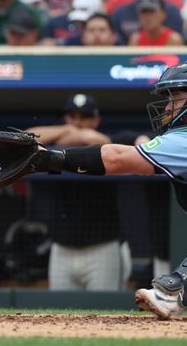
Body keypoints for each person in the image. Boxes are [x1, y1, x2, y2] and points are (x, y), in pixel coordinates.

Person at [0, 59, 187, 319]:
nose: (169, 105)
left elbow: (119, 158)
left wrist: (48, 159)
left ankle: (175, 290)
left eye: (177, 96)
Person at [26, 94, 128, 291]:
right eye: (73, 117)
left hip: (102, 248)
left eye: (85, 117)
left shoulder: (108, 147)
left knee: (105, 313)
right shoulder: (56, 151)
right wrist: (67, 130)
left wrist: (73, 133)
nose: (78, 122)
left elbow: (94, 138)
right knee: (59, 314)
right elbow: (25, 138)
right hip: (62, 248)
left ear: (96, 120)